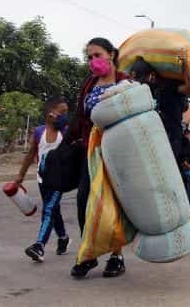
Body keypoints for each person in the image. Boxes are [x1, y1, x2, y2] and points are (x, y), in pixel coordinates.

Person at [67, 37, 129, 279]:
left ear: (111, 54)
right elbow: (80, 117)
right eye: (90, 57)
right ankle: (89, 253)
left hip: (118, 150)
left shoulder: (126, 82)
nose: (93, 61)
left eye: (97, 55)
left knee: (113, 204)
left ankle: (116, 257)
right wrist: (67, 144)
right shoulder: (89, 83)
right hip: (91, 150)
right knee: (84, 199)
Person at [15, 97, 70, 262]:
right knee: (53, 210)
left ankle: (39, 246)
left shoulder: (66, 132)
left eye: (66, 113)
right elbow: (31, 153)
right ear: (50, 113)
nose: (65, 116)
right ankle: (63, 237)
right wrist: (20, 176)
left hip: (59, 179)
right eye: (62, 112)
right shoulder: (39, 131)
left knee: (48, 210)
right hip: (42, 178)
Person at [130, 56, 190, 162]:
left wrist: (185, 64)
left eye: (141, 79)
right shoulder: (147, 89)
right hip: (153, 137)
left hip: (171, 138)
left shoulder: (171, 86)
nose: (139, 83)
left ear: (151, 75)